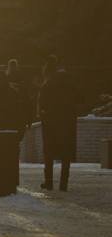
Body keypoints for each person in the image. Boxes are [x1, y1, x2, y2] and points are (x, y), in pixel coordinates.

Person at [38, 55, 81, 191]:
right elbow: (79, 98)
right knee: (66, 153)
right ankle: (64, 183)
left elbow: (42, 103)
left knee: (49, 153)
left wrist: (44, 114)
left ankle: (49, 182)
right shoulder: (69, 82)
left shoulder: (48, 83)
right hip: (67, 121)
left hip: (51, 121)